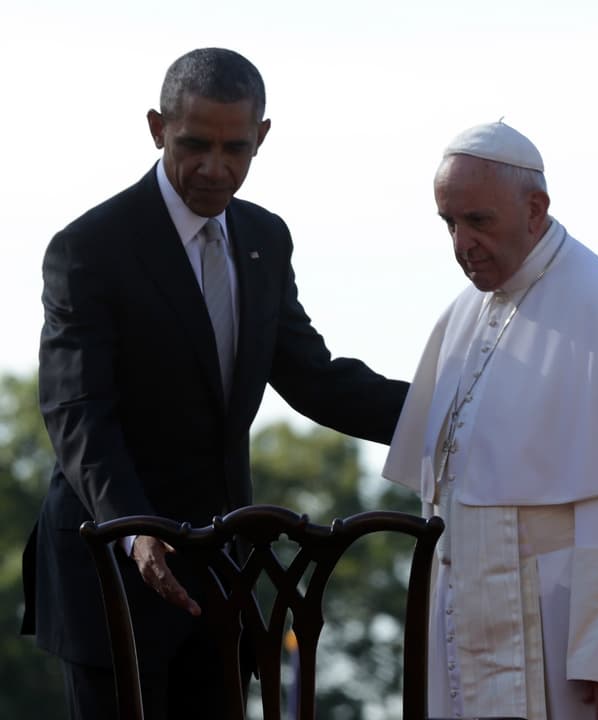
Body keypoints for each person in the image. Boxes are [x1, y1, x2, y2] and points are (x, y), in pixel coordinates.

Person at [20, 47, 409, 719]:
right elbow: (79, 412)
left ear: (261, 137)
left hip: (222, 576)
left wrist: (453, 410)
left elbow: (314, 380)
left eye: (236, 148)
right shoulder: (90, 248)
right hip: (111, 568)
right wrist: (135, 530)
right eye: (194, 144)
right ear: (156, 127)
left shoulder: (264, 238)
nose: (214, 167)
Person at [382, 121, 598, 720]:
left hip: (570, 626)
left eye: (479, 221)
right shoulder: (462, 317)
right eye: (450, 223)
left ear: (535, 210)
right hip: (472, 617)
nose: (462, 243)